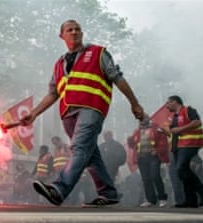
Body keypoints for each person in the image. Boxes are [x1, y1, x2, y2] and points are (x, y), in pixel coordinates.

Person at [20, 19, 144, 207]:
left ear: (82, 33)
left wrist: (134, 104)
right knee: (89, 154)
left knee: (79, 147)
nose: (75, 32)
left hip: (91, 109)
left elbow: (117, 77)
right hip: (68, 115)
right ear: (62, 36)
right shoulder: (59, 64)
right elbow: (53, 93)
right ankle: (109, 193)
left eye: (78, 29)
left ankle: (59, 189)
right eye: (70, 30)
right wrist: (34, 113)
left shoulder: (98, 53)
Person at [163, 95, 203, 208]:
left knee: (181, 168)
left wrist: (179, 129)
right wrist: (166, 131)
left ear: (175, 102)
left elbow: (197, 122)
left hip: (190, 144)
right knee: (181, 173)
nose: (166, 106)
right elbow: (174, 132)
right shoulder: (174, 116)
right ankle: (191, 200)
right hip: (178, 147)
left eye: (168, 103)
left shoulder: (188, 110)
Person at [128, 113, 169, 207]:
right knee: (146, 179)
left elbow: (164, 142)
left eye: (143, 118)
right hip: (141, 157)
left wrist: (157, 150)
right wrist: (130, 141)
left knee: (155, 176)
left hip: (153, 157)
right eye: (140, 119)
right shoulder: (137, 131)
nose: (141, 120)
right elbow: (133, 145)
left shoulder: (156, 128)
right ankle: (151, 200)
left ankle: (162, 198)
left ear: (148, 118)